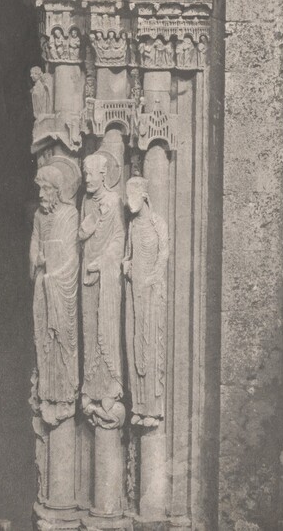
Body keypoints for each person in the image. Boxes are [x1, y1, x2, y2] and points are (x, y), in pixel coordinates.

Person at [31, 159, 80, 425]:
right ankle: (47, 397)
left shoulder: (70, 215)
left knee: (62, 342)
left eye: (46, 189)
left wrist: (57, 276)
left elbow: (73, 256)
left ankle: (64, 398)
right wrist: (37, 260)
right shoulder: (39, 217)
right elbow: (34, 247)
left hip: (61, 289)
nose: (41, 194)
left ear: (57, 190)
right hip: (43, 287)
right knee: (43, 341)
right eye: (40, 189)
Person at [80, 151, 125, 428]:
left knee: (106, 328)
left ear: (103, 175)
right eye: (83, 172)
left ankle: (110, 387)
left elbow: (119, 237)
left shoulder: (114, 201)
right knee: (90, 329)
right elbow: (82, 234)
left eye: (90, 173)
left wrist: (104, 262)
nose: (86, 177)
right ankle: (91, 388)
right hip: (88, 276)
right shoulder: (87, 203)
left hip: (106, 276)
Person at [124, 176, 169, 426]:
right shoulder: (132, 226)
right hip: (135, 293)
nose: (128, 201)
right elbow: (127, 256)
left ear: (143, 196)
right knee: (136, 344)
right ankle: (139, 406)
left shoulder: (158, 223)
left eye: (132, 195)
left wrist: (152, 278)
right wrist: (126, 266)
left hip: (152, 293)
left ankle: (152, 407)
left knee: (151, 344)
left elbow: (164, 253)